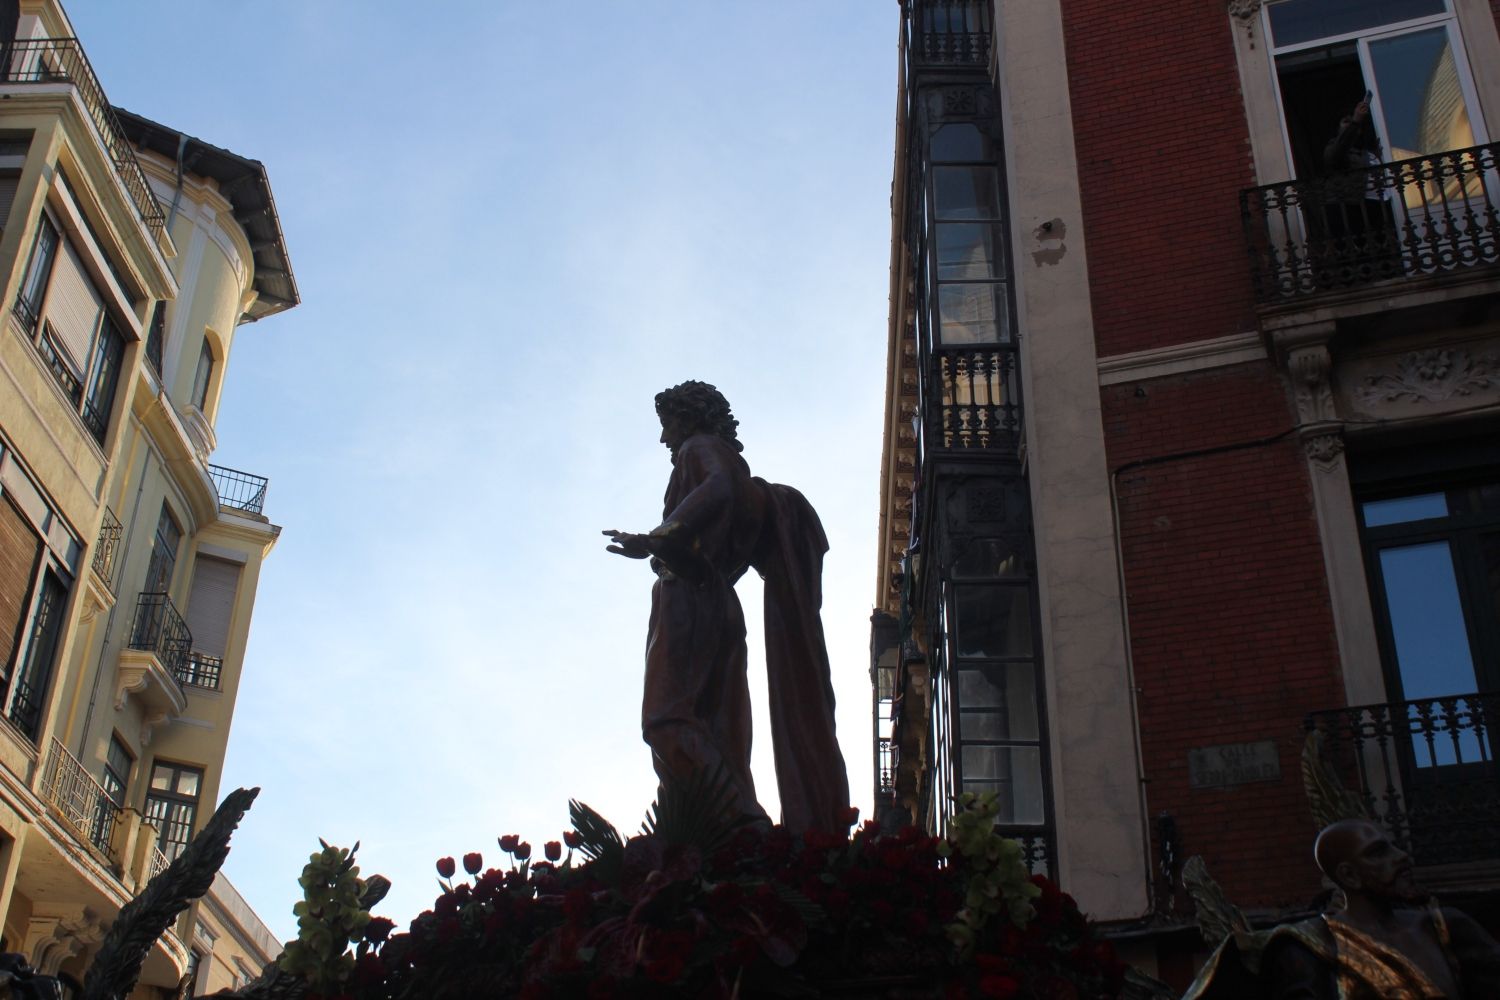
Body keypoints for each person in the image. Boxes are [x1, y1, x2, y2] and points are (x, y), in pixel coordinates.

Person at [604, 381, 850, 833]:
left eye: (669, 424)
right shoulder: (738, 470)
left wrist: (658, 538)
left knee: (667, 719)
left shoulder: (701, 449)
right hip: (719, 602)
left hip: (688, 592)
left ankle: (739, 823)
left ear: (692, 418)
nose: (665, 439)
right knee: (718, 729)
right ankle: (712, 829)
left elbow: (717, 488)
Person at [1184, 818, 1500, 998]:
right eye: (1378, 853)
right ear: (1349, 874)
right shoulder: (1307, 950)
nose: (1401, 856)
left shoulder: (1447, 929)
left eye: (1392, 846)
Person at [1319, 96, 1399, 284]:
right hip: (1352, 207)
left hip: (1378, 206)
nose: (1349, 125)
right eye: (1344, 122)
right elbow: (1337, 153)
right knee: (1358, 251)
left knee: (1380, 249)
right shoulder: (1334, 148)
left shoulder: (1369, 153)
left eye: (1352, 122)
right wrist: (1355, 120)